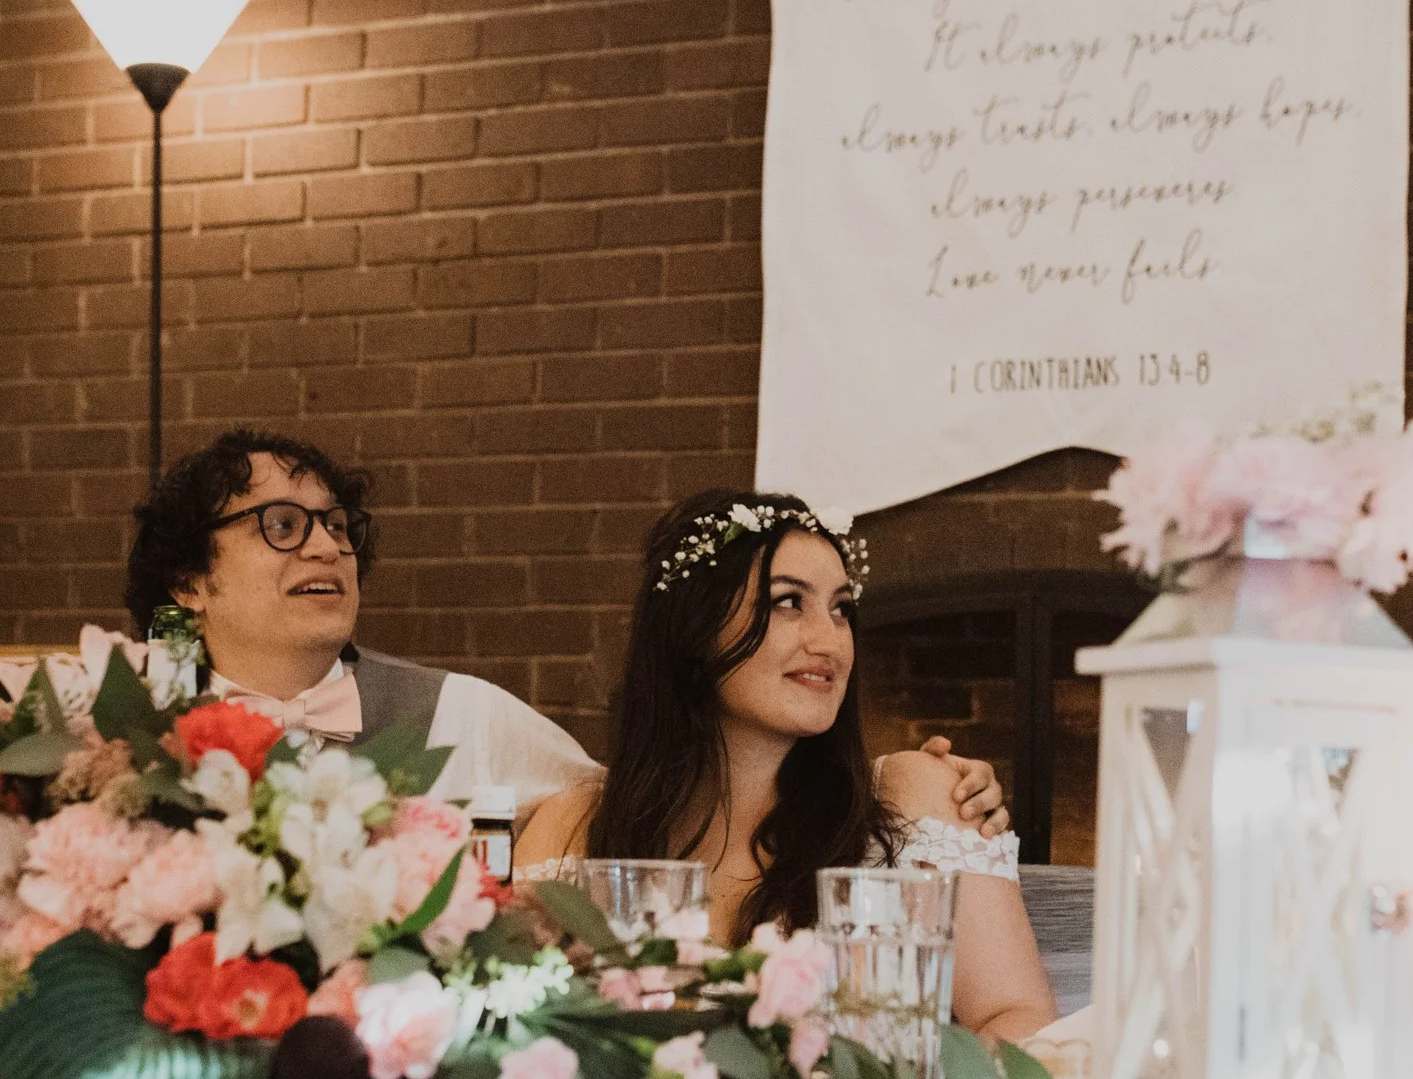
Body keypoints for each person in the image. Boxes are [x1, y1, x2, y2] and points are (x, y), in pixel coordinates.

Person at [122, 429, 1010, 831]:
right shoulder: (102, 727)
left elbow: (660, 802)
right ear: (191, 579)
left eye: (337, 525)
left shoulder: (460, 718)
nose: (326, 543)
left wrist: (894, 780)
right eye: (283, 524)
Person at [515, 488, 1057, 1043]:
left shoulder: (916, 797)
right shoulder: (575, 823)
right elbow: (507, 1028)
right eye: (788, 602)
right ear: (694, 629)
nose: (830, 642)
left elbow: (1018, 1021)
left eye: (841, 609)